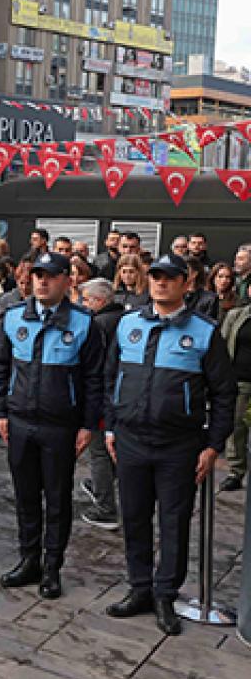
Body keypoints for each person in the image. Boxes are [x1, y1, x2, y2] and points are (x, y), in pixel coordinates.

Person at [103, 253, 236, 636]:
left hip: (179, 445)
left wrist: (213, 446)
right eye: (156, 277)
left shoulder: (205, 331)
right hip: (130, 440)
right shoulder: (129, 323)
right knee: (134, 516)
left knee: (174, 522)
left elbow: (223, 394)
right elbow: (111, 376)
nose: (161, 283)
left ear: (186, 283)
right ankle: (139, 588)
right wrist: (110, 427)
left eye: (169, 278)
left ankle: (165, 594)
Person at [0, 253, 103, 600]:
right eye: (37, 275)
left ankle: (52, 567)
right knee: (25, 496)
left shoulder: (85, 323)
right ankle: (29, 560)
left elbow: (94, 378)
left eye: (50, 276)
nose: (42, 281)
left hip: (60, 425)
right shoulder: (13, 318)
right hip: (21, 421)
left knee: (56, 499)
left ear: (67, 281)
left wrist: (87, 425)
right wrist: (2, 412)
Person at [77, 278, 127, 531]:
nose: (82, 305)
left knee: (98, 452)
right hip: (119, 395)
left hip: (102, 397)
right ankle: (102, 486)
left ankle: (105, 506)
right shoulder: (123, 319)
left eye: (85, 300)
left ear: (98, 301)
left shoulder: (98, 324)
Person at [219, 296, 251, 492]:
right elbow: (223, 346)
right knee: (237, 426)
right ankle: (235, 471)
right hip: (240, 379)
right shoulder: (237, 315)